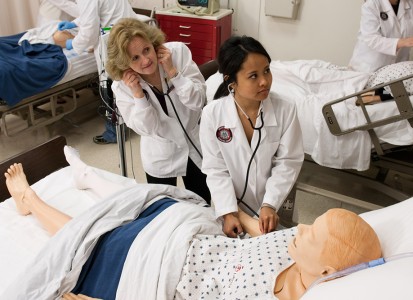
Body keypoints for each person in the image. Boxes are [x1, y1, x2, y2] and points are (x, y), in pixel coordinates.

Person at [4, 150, 381, 299]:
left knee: (85, 238)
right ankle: (81, 181)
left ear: (328, 271)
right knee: (131, 206)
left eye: (313, 234)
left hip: (156, 267)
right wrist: (240, 216)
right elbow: (254, 235)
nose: (301, 229)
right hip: (184, 232)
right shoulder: (297, 253)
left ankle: (30, 200)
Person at [199, 35, 304, 238]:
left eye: (267, 70)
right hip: (231, 208)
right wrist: (228, 212)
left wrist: (270, 203)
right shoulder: (213, 114)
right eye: (253, 76)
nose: (265, 81)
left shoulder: (286, 109)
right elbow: (215, 169)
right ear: (231, 81)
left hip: (275, 206)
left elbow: (288, 162)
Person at [105, 18, 211, 202]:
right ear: (124, 63)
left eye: (146, 49)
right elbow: (147, 128)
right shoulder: (121, 87)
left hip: (194, 144)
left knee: (202, 204)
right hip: (160, 154)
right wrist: (138, 95)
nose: (146, 60)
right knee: (164, 211)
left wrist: (173, 73)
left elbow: (199, 101)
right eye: (135, 58)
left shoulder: (177, 53)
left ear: (152, 42)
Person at [54, 0, 150, 145]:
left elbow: (89, 32)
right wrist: (75, 23)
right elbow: (97, 11)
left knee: (111, 87)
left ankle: (114, 133)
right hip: (127, 32)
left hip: (113, 38)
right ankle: (139, 121)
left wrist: (72, 44)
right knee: (129, 81)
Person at [349, 0, 413, 73]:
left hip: (398, 70)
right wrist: (402, 42)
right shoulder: (372, 4)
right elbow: (371, 39)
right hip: (369, 68)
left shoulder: (410, 4)